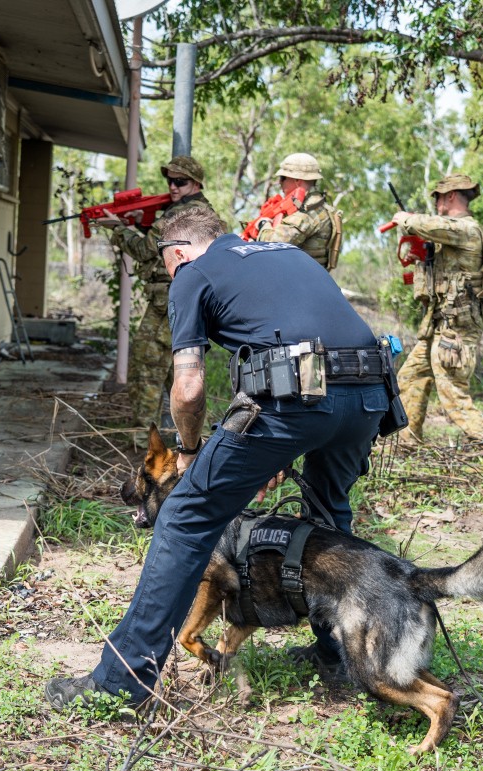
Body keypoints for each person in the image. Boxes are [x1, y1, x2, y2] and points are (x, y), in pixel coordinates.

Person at [46, 205, 392, 710]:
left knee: (185, 517)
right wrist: (276, 445)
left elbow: (187, 389)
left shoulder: (192, 273)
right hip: (369, 393)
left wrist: (188, 451)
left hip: (297, 398)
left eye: (169, 266)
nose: (172, 276)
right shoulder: (287, 252)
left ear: (179, 251)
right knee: (328, 511)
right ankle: (335, 653)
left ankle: (122, 683)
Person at [103, 156, 215, 440]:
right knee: (174, 371)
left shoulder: (179, 214)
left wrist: (117, 228)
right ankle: (207, 435)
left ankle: (142, 438)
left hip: (169, 301)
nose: (173, 187)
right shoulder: (200, 211)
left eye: (181, 182)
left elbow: (144, 250)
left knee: (147, 368)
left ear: (196, 183)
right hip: (180, 300)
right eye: (170, 181)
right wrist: (142, 225)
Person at [389, 173, 483, 448]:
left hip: (456, 331)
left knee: (453, 396)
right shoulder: (455, 233)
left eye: (438, 197)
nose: (436, 203)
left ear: (450, 196)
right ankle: (407, 442)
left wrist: (405, 218)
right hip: (439, 326)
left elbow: (430, 225)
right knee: (409, 378)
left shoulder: (466, 229)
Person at [253, 152, 339, 271]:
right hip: (310, 279)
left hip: (301, 282)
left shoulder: (309, 211)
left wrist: (263, 224)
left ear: (297, 180)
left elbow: (273, 244)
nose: (279, 182)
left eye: (283, 178)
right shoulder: (320, 206)